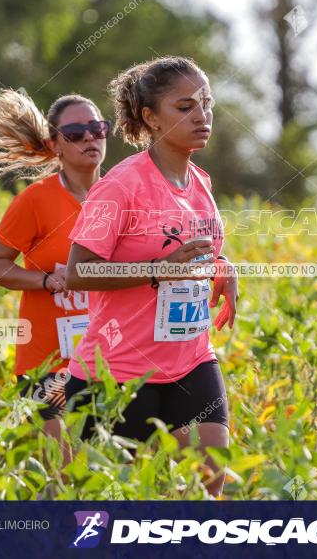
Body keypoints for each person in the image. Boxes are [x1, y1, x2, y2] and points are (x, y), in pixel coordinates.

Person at [65, 57, 239, 496]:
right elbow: (78, 272)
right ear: (149, 116)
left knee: (205, 488)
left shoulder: (200, 182)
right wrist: (158, 271)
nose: (202, 116)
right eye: (184, 107)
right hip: (116, 371)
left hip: (191, 359)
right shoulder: (121, 186)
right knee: (107, 510)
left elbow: (191, 252)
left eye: (206, 104)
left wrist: (222, 267)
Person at [0, 88, 108, 447]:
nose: (90, 138)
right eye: (76, 134)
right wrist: (47, 280)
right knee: (63, 474)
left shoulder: (119, 196)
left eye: (97, 128)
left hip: (108, 361)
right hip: (48, 364)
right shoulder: (35, 200)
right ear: (55, 145)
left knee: (105, 476)